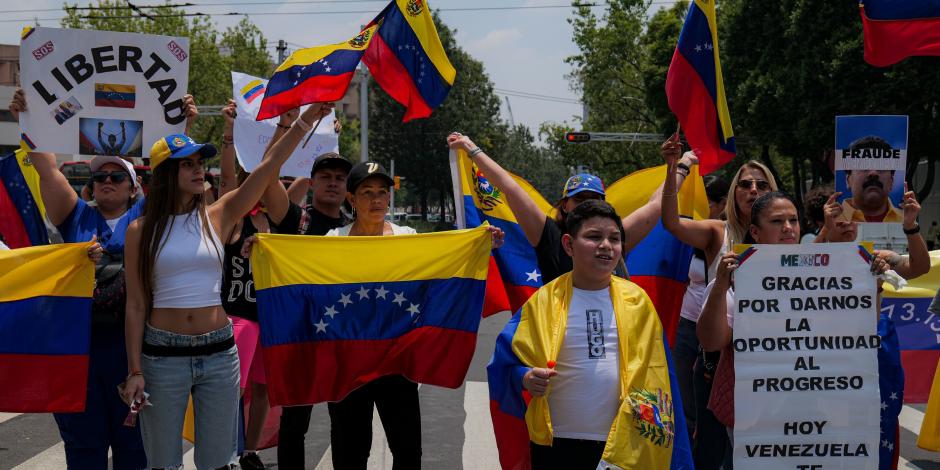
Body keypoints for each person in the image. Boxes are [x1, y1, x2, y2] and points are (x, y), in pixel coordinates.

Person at [121, 102, 335, 469]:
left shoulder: (219, 215)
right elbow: (137, 305)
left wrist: (304, 121)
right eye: (187, 163)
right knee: (162, 462)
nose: (198, 169)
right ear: (165, 173)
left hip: (220, 352)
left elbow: (267, 169)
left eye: (199, 163)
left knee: (219, 461)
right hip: (162, 356)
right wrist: (135, 370)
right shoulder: (140, 230)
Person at [8, 88, 195, 470]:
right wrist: (27, 119)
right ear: (91, 186)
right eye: (99, 177)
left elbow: (173, 173)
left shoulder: (146, 215)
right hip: (79, 348)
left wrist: (183, 124)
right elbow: (45, 166)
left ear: (133, 187)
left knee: (133, 448)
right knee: (84, 448)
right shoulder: (75, 215)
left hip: (133, 351)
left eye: (116, 175)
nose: (107, 181)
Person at [316, 160, 502, 469]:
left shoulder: (408, 236)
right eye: (366, 192)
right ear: (351, 199)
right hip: (348, 364)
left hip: (396, 364)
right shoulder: (333, 241)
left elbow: (444, 264)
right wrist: (264, 249)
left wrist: (479, 245)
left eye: (382, 192)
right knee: (349, 453)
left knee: (407, 451)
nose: (376, 200)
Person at [505, 199, 686, 469]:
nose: (605, 245)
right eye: (593, 237)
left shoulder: (639, 301)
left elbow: (662, 375)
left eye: (614, 239)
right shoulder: (543, 301)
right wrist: (526, 377)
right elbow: (507, 361)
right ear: (568, 245)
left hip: (626, 443)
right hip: (557, 443)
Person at [696, 192, 890, 433]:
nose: (788, 228)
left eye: (793, 220)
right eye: (777, 221)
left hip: (816, 408)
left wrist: (874, 286)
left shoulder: (826, 279)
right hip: (755, 416)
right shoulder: (736, 278)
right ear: (755, 232)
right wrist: (721, 285)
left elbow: (862, 329)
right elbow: (711, 342)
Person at [446, 131, 696, 283]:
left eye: (595, 200)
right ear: (565, 205)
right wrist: (471, 148)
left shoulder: (616, 234)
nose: (588, 205)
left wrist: (680, 165)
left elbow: (657, 203)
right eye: (580, 199)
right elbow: (510, 189)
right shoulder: (548, 234)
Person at [821, 187, 930, 280]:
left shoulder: (874, 259)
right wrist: (826, 228)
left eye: (850, 215)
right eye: (836, 217)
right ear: (822, 223)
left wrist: (910, 226)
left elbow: (920, 268)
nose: (846, 222)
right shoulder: (813, 262)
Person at [839, 136, 903, 223]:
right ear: (848, 180)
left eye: (881, 167)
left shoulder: (907, 223)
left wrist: (912, 230)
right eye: (864, 166)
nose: (873, 173)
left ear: (891, 182)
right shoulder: (831, 222)